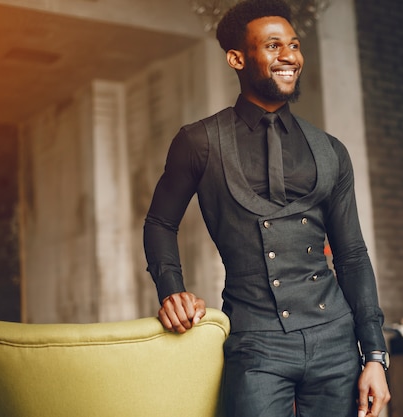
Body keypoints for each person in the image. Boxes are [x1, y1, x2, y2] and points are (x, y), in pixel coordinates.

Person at [143, 1, 390, 416]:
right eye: (273, 46)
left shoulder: (330, 151)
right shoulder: (199, 142)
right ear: (237, 58)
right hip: (256, 342)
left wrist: (375, 356)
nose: (290, 56)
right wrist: (172, 290)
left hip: (336, 341)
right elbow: (159, 223)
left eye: (293, 45)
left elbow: (352, 256)